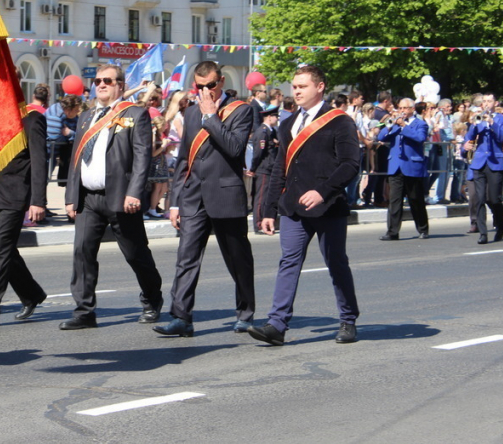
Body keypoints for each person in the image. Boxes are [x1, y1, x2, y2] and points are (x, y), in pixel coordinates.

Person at [248, 65, 360, 346]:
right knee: (289, 262)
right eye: (294, 87)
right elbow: (279, 170)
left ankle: (348, 319)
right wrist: (268, 210)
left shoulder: (339, 121)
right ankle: (276, 324)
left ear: (319, 87)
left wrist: (323, 192)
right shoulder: (287, 124)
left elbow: (350, 165)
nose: (296, 91)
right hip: (293, 209)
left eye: (302, 86)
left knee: (336, 263)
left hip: (328, 206)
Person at [153, 61, 256, 338]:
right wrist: (174, 202)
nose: (205, 91)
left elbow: (234, 149)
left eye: (210, 85)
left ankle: (245, 314)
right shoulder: (191, 112)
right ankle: (181, 317)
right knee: (186, 257)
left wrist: (212, 117)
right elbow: (185, 160)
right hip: (194, 195)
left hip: (226, 194)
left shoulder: (241, 110)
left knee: (237, 258)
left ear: (220, 82)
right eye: (200, 87)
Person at [61, 64, 164, 330]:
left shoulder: (134, 114)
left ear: (120, 84)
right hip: (89, 198)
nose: (101, 85)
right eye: (97, 81)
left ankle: (152, 299)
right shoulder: (86, 117)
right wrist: (72, 196)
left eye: (108, 80)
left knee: (135, 253)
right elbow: (76, 160)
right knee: (82, 253)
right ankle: (84, 311)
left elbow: (142, 157)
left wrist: (134, 192)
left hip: (120, 197)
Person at [0, 97, 49, 328]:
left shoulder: (31, 119)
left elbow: (39, 161)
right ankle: (32, 293)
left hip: (13, 196)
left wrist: (38, 200)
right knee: (2, 250)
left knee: (0, 254)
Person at [377, 98, 430, 240]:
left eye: (405, 108)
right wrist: (389, 126)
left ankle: (423, 229)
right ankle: (392, 232)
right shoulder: (394, 124)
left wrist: (404, 126)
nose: (402, 111)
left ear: (412, 109)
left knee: (415, 200)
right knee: (394, 201)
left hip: (412, 166)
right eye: (400, 108)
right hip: (395, 166)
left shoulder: (420, 124)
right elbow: (381, 136)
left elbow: (419, 138)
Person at [463, 94, 503, 244]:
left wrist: (492, 122)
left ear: (495, 103)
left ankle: (500, 226)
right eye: (484, 101)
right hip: (479, 163)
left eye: (489, 101)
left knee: (494, 199)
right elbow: (469, 137)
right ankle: (483, 233)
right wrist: (474, 125)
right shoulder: (478, 118)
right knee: (479, 198)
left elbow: (502, 137)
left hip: (495, 162)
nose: (486, 104)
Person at [250, 105, 280, 234]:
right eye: (275, 116)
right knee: (261, 198)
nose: (277, 119)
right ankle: (258, 224)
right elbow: (258, 152)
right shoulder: (263, 132)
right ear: (268, 117)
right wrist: (253, 168)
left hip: (269, 168)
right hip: (263, 168)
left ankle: (265, 222)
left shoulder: (271, 131)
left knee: (267, 196)